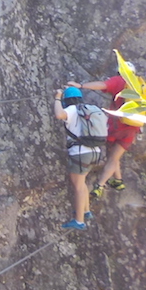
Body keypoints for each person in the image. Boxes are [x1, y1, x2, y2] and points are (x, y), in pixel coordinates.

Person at [69, 64, 141, 197]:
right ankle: (118, 180)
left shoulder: (120, 81)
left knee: (112, 156)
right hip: (132, 128)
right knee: (115, 156)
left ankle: (100, 185)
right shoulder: (139, 85)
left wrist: (81, 86)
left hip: (116, 126)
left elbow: (102, 85)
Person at [52, 86, 103, 230]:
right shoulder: (89, 109)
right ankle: (86, 211)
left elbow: (59, 114)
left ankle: (79, 221)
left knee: (78, 185)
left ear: (67, 100)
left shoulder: (72, 109)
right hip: (95, 151)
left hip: (81, 153)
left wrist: (57, 97)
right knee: (82, 181)